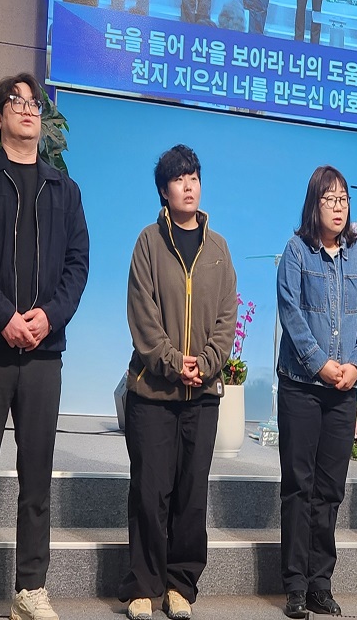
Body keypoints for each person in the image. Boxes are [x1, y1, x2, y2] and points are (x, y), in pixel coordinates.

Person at [0, 73, 90, 620]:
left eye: (35, 103)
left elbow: (77, 266)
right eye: (17, 102)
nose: (28, 110)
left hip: (43, 354)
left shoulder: (64, 189)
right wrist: (4, 316)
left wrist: (48, 317)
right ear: (0, 116)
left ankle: (30, 590)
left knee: (37, 477)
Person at [118, 145, 238, 620]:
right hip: (153, 391)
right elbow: (142, 312)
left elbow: (227, 317)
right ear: (164, 191)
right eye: (179, 179)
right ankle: (143, 585)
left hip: (202, 395)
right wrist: (172, 361)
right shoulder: (148, 242)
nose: (189, 186)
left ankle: (180, 584)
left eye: (194, 177)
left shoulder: (219, 248)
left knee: (191, 495)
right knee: (150, 491)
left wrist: (205, 364)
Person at [276, 166, 357, 619]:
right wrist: (320, 363)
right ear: (314, 204)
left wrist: (355, 365)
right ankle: (295, 586)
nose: (338, 207)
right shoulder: (296, 251)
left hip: (343, 391)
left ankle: (321, 583)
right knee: (299, 487)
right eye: (329, 199)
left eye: (343, 200)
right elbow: (291, 313)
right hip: (301, 387)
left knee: (330, 491)